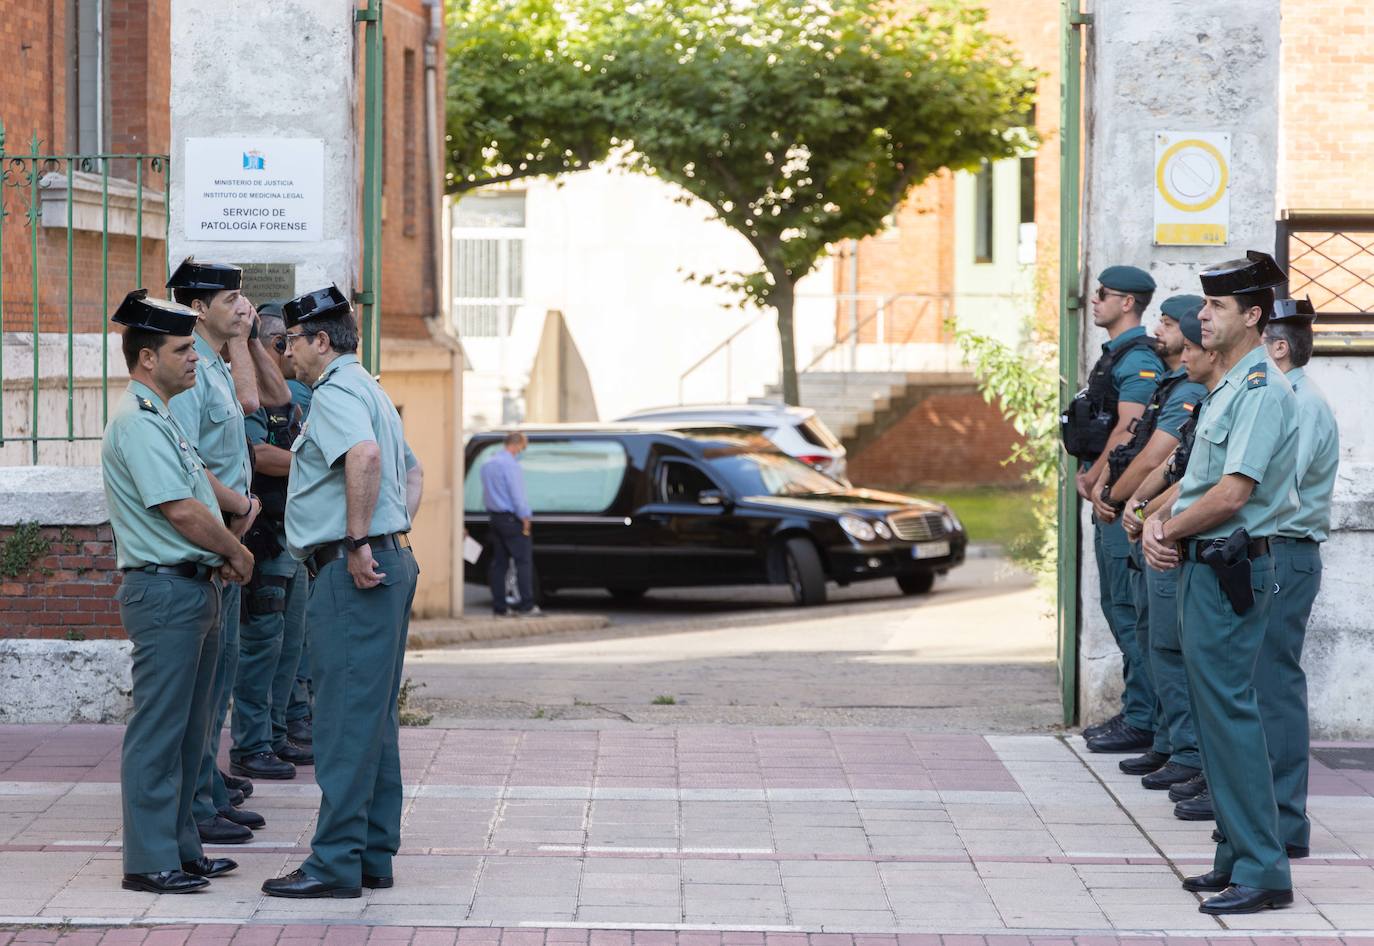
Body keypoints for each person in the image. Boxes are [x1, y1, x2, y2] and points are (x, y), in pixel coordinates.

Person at [1142, 250, 1298, 915]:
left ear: (1253, 316)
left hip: (1229, 567)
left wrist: (1167, 531)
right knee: (1214, 718)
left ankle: (1265, 870)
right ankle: (1234, 855)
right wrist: (1161, 522)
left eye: (1215, 307)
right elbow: (1200, 485)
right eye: (1203, 306)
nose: (1201, 317)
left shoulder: (1261, 389)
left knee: (1230, 719)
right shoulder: (1231, 385)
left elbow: (1232, 495)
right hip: (1204, 565)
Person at [262, 285, 422, 899]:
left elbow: (365, 455)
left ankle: (333, 864)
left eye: (291, 342)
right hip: (388, 562)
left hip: (353, 570)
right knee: (373, 720)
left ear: (321, 340)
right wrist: (390, 533)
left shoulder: (335, 392)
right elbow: (412, 471)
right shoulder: (370, 387)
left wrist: (359, 542)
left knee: (343, 723)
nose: (287, 353)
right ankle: (371, 855)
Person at [101, 289, 255, 893]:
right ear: (146, 360)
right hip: (164, 593)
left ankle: (183, 848)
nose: (195, 358)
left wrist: (237, 522)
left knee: (194, 730)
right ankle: (148, 860)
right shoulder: (137, 422)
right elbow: (182, 511)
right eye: (181, 349)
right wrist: (237, 550)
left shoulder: (162, 414)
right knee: (159, 732)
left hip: (193, 588)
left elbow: (202, 495)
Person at [165, 258, 271, 844]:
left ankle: (208, 786)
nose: (243, 306)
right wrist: (241, 506)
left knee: (224, 669)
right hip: (215, 534)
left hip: (234, 530)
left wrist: (244, 339)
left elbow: (252, 408)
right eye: (231, 298)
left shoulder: (217, 364)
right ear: (198, 308)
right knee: (206, 680)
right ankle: (197, 800)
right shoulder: (187, 372)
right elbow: (189, 466)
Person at [1093, 295, 1208, 774]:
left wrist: (1126, 501)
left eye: (1169, 324)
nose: (1165, 336)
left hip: (1177, 537)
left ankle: (1184, 752)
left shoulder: (1195, 391)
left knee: (1166, 645)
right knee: (1146, 631)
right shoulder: (1175, 381)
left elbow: (1167, 463)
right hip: (1153, 522)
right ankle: (1167, 742)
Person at [1121, 307, 1221, 816]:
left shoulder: (1224, 397)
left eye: (1188, 348)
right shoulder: (1205, 396)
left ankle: (1192, 756)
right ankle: (1176, 746)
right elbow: (1179, 465)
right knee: (1157, 642)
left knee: (1180, 652)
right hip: (1175, 536)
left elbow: (1207, 485)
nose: (1180, 358)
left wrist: (1147, 514)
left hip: (1205, 547)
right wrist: (1140, 509)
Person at [1061, 265, 1164, 752]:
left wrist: (1098, 479)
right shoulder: (1117, 355)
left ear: (1128, 303)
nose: (1094, 301)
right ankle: (1139, 712)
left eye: (1103, 294)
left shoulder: (1138, 359)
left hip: (1114, 495)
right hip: (1107, 489)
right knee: (1118, 606)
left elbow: (1131, 428)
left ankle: (1144, 719)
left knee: (1127, 607)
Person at [1256, 295, 1339, 859]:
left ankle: (1285, 824)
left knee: (1274, 686)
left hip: (1287, 551)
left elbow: (1280, 489)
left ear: (1279, 348)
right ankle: (1263, 816)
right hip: (1275, 550)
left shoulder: (1300, 402)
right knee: (1258, 687)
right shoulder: (1285, 394)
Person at [229, 305, 314, 781]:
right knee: (261, 643)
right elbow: (257, 453)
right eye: (280, 344)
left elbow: (284, 409)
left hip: (289, 536)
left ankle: (275, 732)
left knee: (288, 642)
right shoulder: (242, 395)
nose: (286, 353)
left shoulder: (279, 394)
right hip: (262, 538)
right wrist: (316, 466)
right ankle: (252, 743)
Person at [480, 431, 543, 617]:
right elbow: (517, 496)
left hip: (495, 518)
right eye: (523, 447)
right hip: (511, 519)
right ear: (516, 445)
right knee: (523, 561)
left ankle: (500, 607)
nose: (522, 451)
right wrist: (525, 518)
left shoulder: (488, 464)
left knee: (499, 563)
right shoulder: (511, 466)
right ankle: (527, 605)